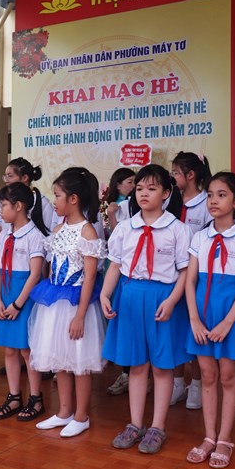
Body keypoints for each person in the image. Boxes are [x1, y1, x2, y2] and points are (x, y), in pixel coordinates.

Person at [101, 165, 190, 454]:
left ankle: (157, 427)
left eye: (152, 189)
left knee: (162, 366)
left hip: (163, 298)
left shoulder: (178, 229)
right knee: (137, 365)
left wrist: (172, 300)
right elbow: (115, 265)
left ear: (166, 193)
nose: (144, 194)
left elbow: (185, 271)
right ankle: (135, 424)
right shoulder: (125, 228)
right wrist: (105, 294)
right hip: (130, 296)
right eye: (139, 188)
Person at [185, 172, 235, 469]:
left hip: (231, 316)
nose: (214, 200)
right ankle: (209, 436)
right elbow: (190, 282)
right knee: (207, 375)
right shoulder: (200, 237)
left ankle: (225, 438)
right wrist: (194, 320)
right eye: (211, 195)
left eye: (222, 195)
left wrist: (228, 323)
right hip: (202, 314)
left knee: (227, 375)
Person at [29, 168, 107, 438]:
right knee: (60, 360)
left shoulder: (88, 232)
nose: (54, 201)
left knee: (79, 362)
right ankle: (64, 412)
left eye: (58, 196)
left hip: (76, 304)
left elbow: (89, 277)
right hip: (55, 303)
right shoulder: (58, 229)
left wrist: (80, 315)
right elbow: (52, 269)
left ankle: (82, 416)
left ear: (73, 199)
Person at [0, 182, 48, 422]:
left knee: (27, 349)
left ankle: (36, 398)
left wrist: (17, 304)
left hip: (24, 296)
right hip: (5, 293)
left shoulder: (34, 236)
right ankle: (14, 396)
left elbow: (35, 275)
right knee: (9, 349)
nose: (0, 210)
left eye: (4, 205)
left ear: (19, 206)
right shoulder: (5, 233)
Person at [169, 151, 213, 409]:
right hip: (173, 274)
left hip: (198, 275)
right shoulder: (170, 200)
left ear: (191, 175)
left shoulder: (206, 203)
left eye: (176, 173)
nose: (172, 177)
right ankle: (177, 382)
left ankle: (196, 384)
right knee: (175, 328)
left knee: (196, 328)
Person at [103, 166, 137, 397]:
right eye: (131, 182)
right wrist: (111, 214)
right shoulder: (110, 205)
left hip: (132, 267)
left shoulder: (134, 205)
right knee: (114, 311)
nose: (134, 188)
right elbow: (114, 239)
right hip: (114, 263)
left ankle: (131, 371)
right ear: (118, 184)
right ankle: (119, 361)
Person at [0, 157, 58, 233]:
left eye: (10, 176)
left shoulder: (43, 203)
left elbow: (49, 233)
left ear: (24, 177)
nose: (6, 180)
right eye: (5, 176)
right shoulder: (4, 200)